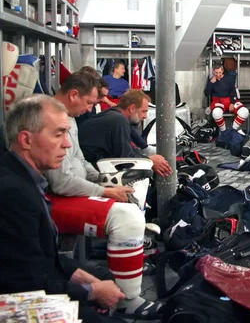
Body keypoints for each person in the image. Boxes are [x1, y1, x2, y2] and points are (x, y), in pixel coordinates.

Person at [43, 73, 161, 319]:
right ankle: (127, 299)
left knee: (129, 195)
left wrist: (100, 179)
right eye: (89, 103)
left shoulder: (70, 118)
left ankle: (129, 263)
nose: (91, 110)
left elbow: (79, 160)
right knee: (128, 217)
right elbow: (61, 182)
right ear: (74, 94)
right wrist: (105, 190)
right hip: (54, 199)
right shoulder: (48, 117)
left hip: (71, 189)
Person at [0, 95, 127, 323]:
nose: (67, 144)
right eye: (58, 134)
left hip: (32, 283)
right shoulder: (13, 194)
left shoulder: (23, 178)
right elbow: (25, 286)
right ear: (26, 140)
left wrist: (81, 278)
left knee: (104, 276)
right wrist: (92, 291)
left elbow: (41, 260)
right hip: (17, 304)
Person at [78, 89, 172, 177]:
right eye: (143, 111)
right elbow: (126, 159)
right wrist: (150, 161)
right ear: (132, 108)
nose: (145, 116)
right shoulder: (119, 120)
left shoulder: (113, 116)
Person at [204, 64, 249, 132]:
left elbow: (234, 92)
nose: (218, 74)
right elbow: (207, 93)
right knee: (216, 113)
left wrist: (232, 103)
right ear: (213, 72)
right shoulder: (211, 80)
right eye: (216, 73)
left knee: (244, 112)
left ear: (222, 71)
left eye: (220, 72)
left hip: (229, 100)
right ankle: (224, 132)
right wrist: (210, 83)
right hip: (218, 101)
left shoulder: (229, 79)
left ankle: (232, 131)